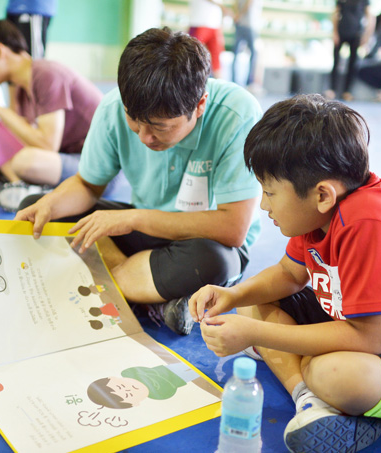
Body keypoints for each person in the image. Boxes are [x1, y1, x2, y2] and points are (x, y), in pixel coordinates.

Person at [189, 94, 381, 452]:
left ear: (322, 195)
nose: (264, 206)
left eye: (269, 192)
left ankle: (321, 390)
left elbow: (368, 339)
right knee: (254, 303)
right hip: (377, 330)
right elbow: (288, 273)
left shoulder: (368, 224)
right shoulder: (321, 212)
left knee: (331, 373)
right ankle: (309, 402)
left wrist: (255, 334)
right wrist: (233, 295)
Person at [15, 27, 262, 336]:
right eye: (135, 121)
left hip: (206, 243)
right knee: (37, 209)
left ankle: (106, 282)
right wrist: (50, 204)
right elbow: (88, 186)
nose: (145, 137)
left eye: (160, 127)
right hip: (146, 234)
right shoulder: (113, 107)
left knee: (213, 263)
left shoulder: (236, 115)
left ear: (199, 106)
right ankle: (150, 296)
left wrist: (132, 219)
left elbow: (232, 228)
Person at [0, 19, 103, 188]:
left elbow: (48, 145)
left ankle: (22, 189)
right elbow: (20, 142)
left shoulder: (46, 74)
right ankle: (18, 189)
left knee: (26, 162)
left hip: (102, 165)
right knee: (5, 153)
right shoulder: (21, 89)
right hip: (73, 159)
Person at [325, 0, 375, 101]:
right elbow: (336, 14)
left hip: (356, 34)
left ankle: (347, 92)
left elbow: (370, 17)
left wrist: (367, 35)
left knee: (353, 64)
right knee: (336, 62)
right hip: (341, 31)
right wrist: (334, 32)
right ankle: (332, 90)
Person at [230, 0, 263, 91]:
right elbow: (249, 2)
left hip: (240, 24)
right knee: (253, 54)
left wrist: (237, 15)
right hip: (250, 24)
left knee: (236, 54)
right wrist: (240, 15)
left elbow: (236, 4)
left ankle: (234, 81)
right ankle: (249, 82)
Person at [188, 0, 226, 79]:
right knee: (191, 56)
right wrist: (223, 8)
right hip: (200, 22)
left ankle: (218, 87)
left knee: (216, 61)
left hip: (213, 24)